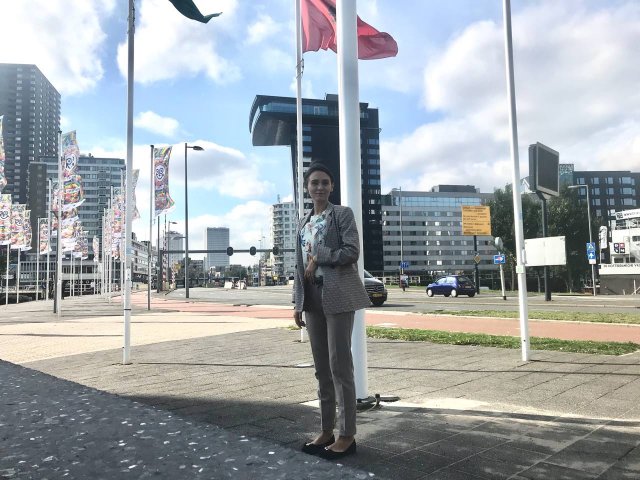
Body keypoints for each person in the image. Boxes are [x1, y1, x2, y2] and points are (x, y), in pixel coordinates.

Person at [293, 162, 371, 460]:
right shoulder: (303, 222)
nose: (320, 187)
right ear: (307, 187)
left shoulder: (341, 215)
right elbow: (299, 265)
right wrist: (297, 302)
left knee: (340, 366)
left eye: (325, 182)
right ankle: (326, 430)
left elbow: (352, 251)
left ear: (332, 186)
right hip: (312, 298)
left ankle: (347, 436)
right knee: (321, 368)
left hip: (337, 295)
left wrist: (320, 256)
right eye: (314, 182)